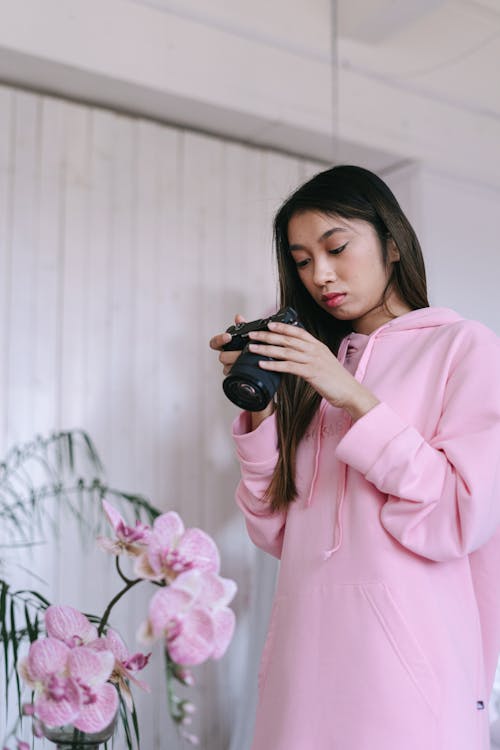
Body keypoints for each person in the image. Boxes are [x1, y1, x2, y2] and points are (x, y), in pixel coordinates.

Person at [209, 165, 500, 750]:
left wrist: (350, 394)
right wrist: (264, 410)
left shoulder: (464, 347)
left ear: (391, 243)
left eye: (336, 247)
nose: (320, 274)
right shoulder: (313, 367)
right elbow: (275, 529)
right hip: (300, 670)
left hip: (411, 679)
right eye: (301, 260)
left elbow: (463, 515)